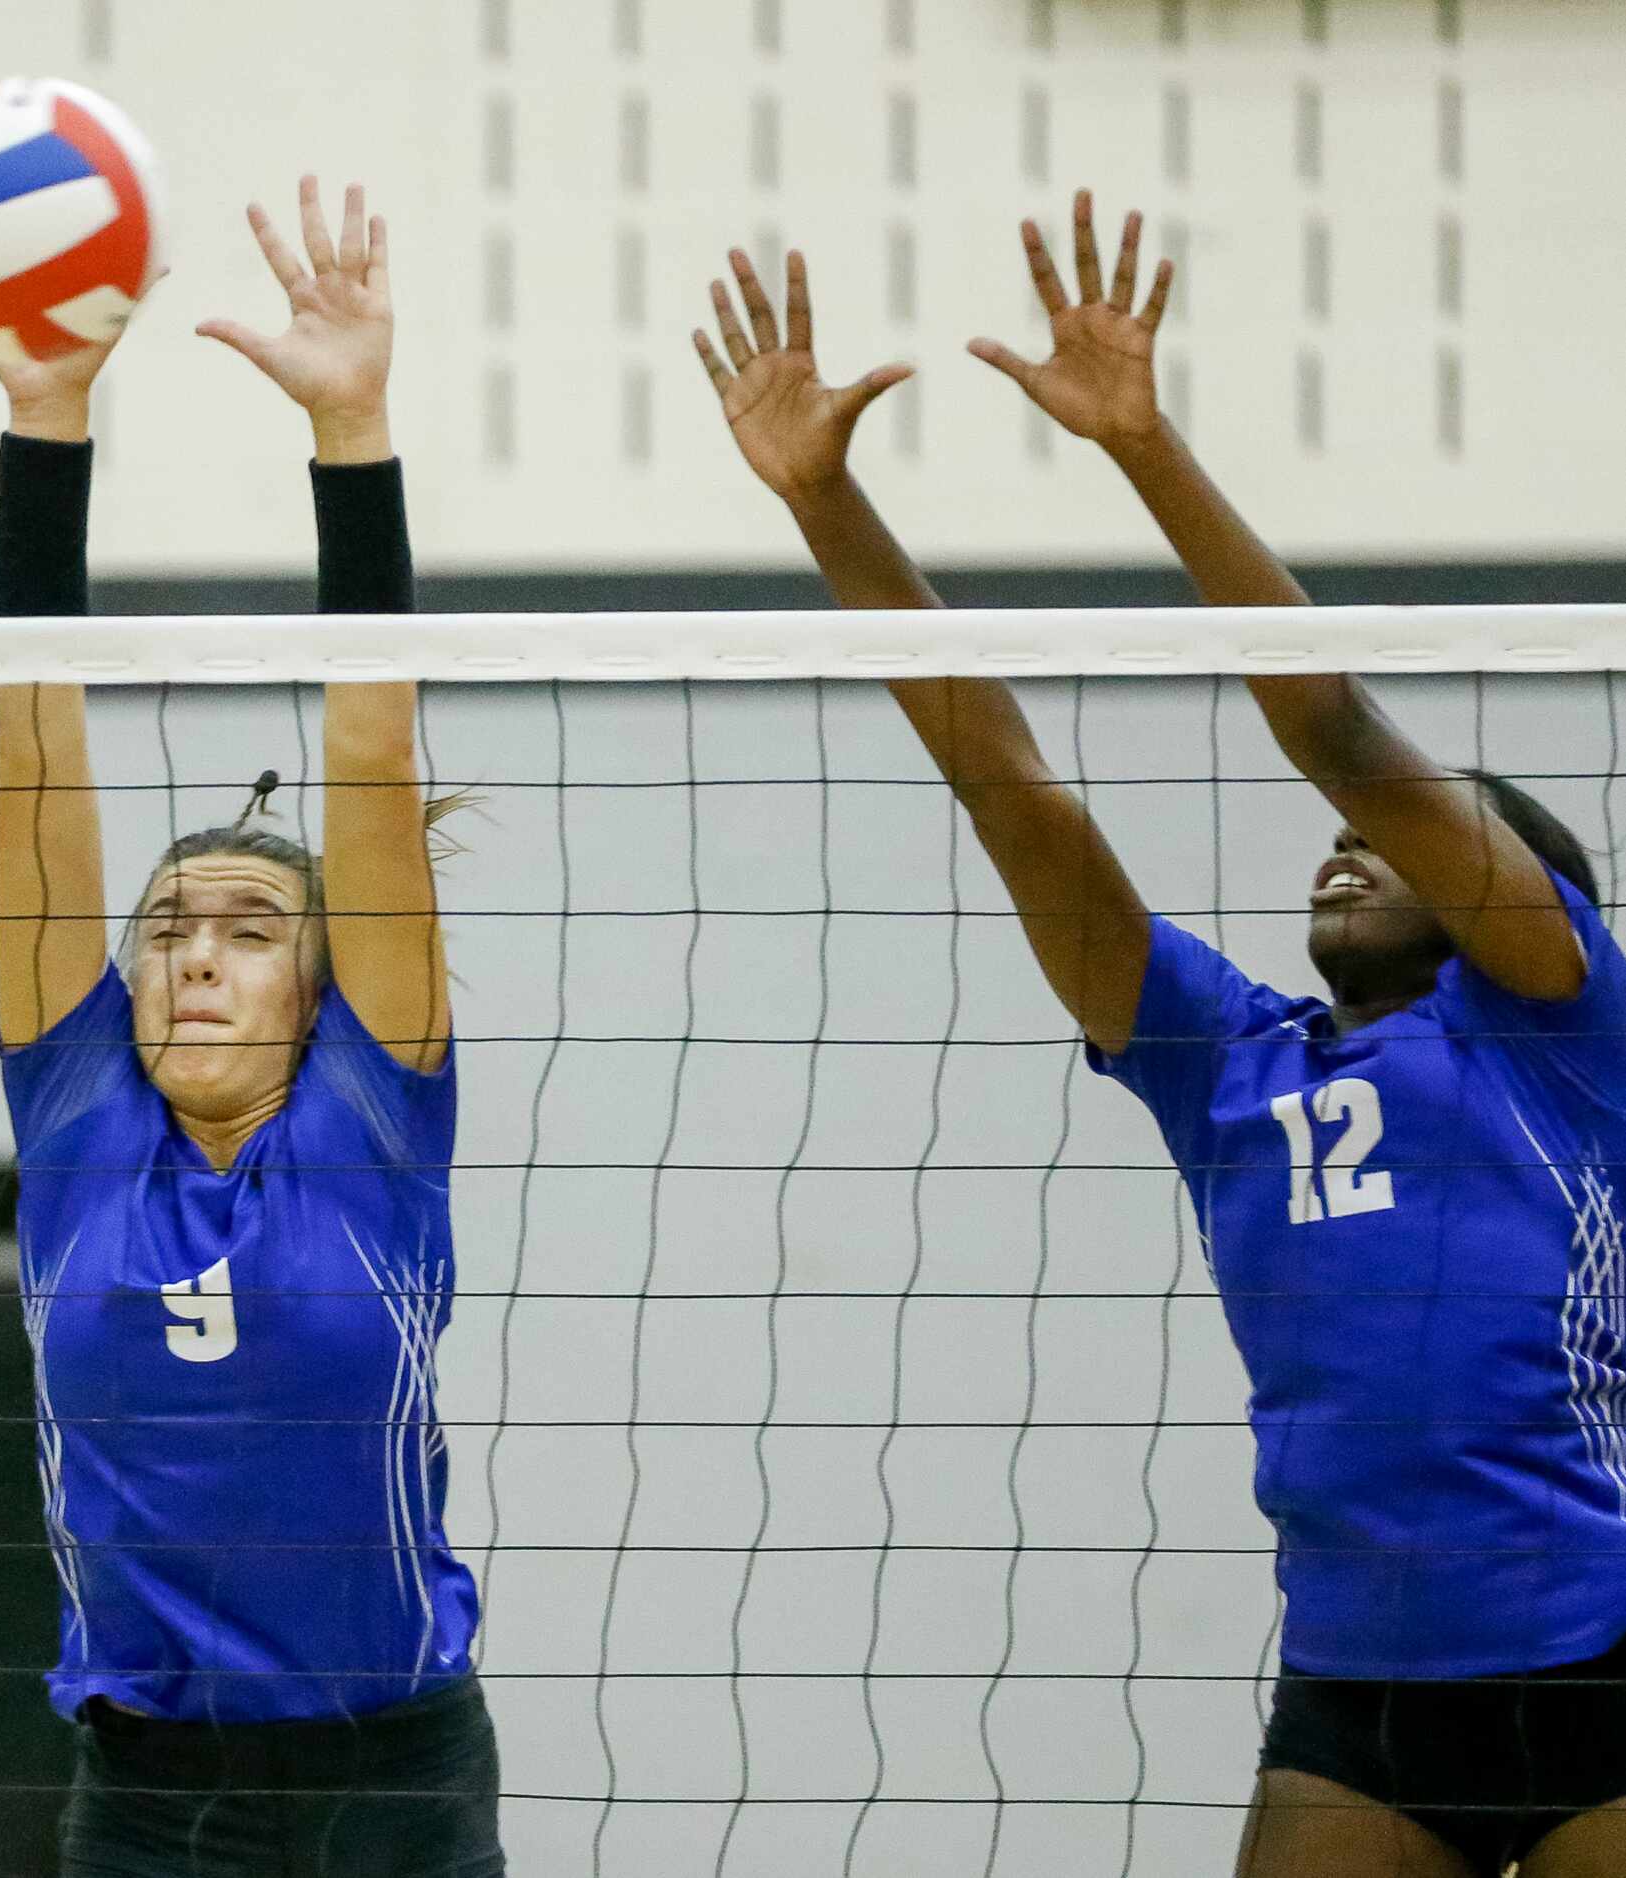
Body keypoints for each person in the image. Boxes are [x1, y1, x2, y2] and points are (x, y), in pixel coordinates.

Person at [694, 194, 1626, 1878]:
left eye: (1416, 838)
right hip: (1360, 1691)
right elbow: (1005, 785)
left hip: (1601, 1659)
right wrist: (827, 505)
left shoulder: (1561, 1022)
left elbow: (1335, 730)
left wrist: (1143, 445)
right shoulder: (1228, 1064)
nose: (1347, 848)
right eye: (1345, 846)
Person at [0, 178, 503, 1877]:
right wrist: (48, 418)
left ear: (325, 982)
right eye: (167, 930)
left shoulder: (369, 1110)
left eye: (251, 929)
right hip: (149, 1785)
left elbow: (370, 749)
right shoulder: (79, 1116)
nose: (197, 957)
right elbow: (36, 748)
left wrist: (350, 424)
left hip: (393, 1773)